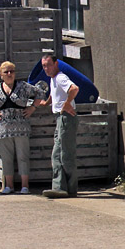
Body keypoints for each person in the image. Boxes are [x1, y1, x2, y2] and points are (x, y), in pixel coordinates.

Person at [0, 61, 47, 194]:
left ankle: (25, 186)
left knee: (23, 156)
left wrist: (33, 107)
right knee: (6, 157)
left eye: (11, 71)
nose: (9, 74)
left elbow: (40, 93)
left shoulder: (23, 86)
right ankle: (9, 186)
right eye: (6, 72)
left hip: (21, 127)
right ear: (1, 75)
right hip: (3, 129)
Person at [40, 54, 80, 199]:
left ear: (56, 63)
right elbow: (54, 92)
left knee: (65, 154)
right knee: (56, 154)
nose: (46, 68)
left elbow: (74, 89)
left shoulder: (60, 77)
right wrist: (47, 102)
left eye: (48, 64)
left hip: (66, 118)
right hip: (59, 118)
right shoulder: (53, 79)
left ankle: (70, 188)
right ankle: (59, 187)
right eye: (44, 66)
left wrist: (67, 103)